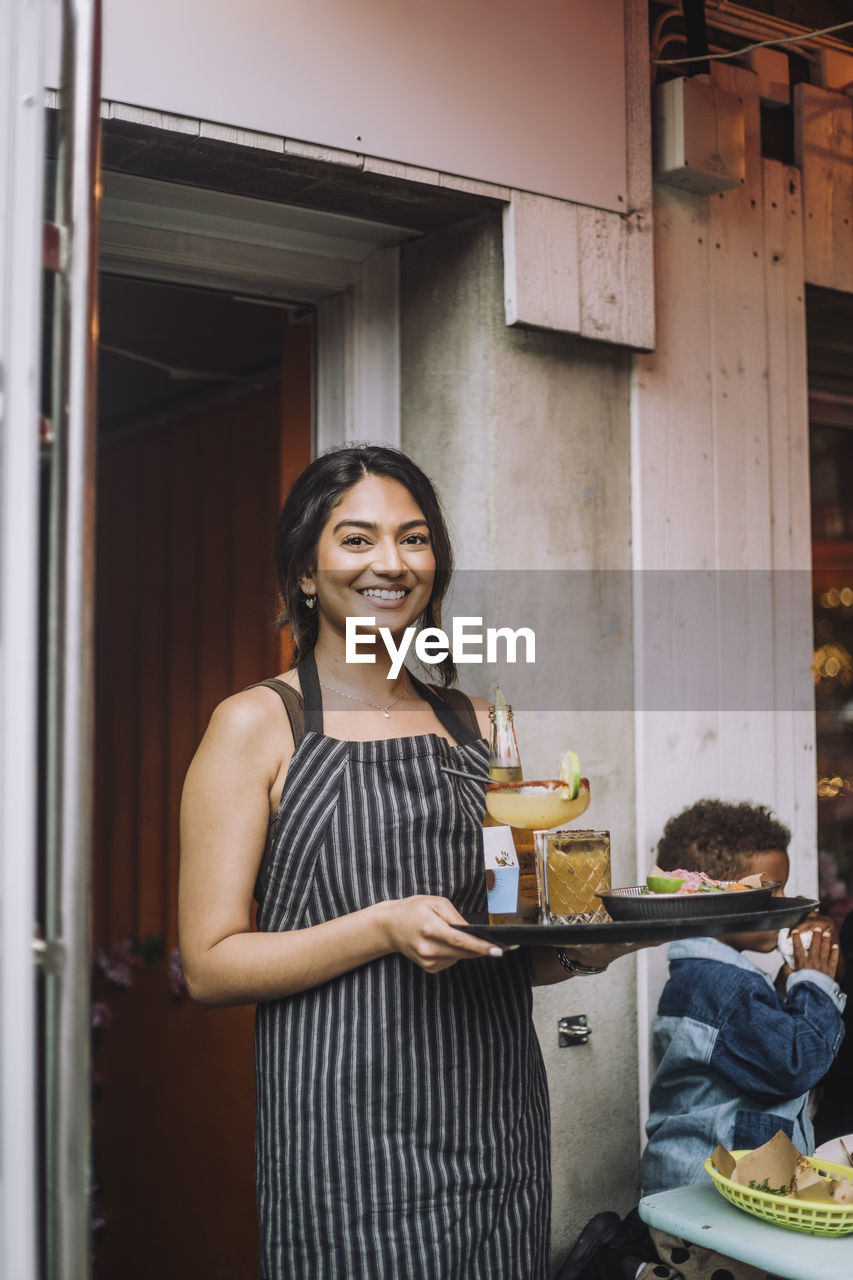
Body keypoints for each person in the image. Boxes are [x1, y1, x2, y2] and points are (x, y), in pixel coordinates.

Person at [178, 444, 633, 1280]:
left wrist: (589, 946)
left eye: (413, 538)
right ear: (305, 573)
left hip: (498, 1127)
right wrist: (383, 928)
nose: (390, 562)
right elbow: (208, 966)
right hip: (348, 1145)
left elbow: (495, 939)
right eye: (356, 540)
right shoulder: (255, 725)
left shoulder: (473, 723)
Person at [641, 798, 846, 1197]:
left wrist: (789, 983)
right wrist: (815, 983)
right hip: (704, 1201)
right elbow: (793, 1064)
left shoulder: (711, 978)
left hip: (727, 1192)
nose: (785, 902)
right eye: (770, 889)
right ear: (706, 897)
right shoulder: (724, 988)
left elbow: (755, 1045)